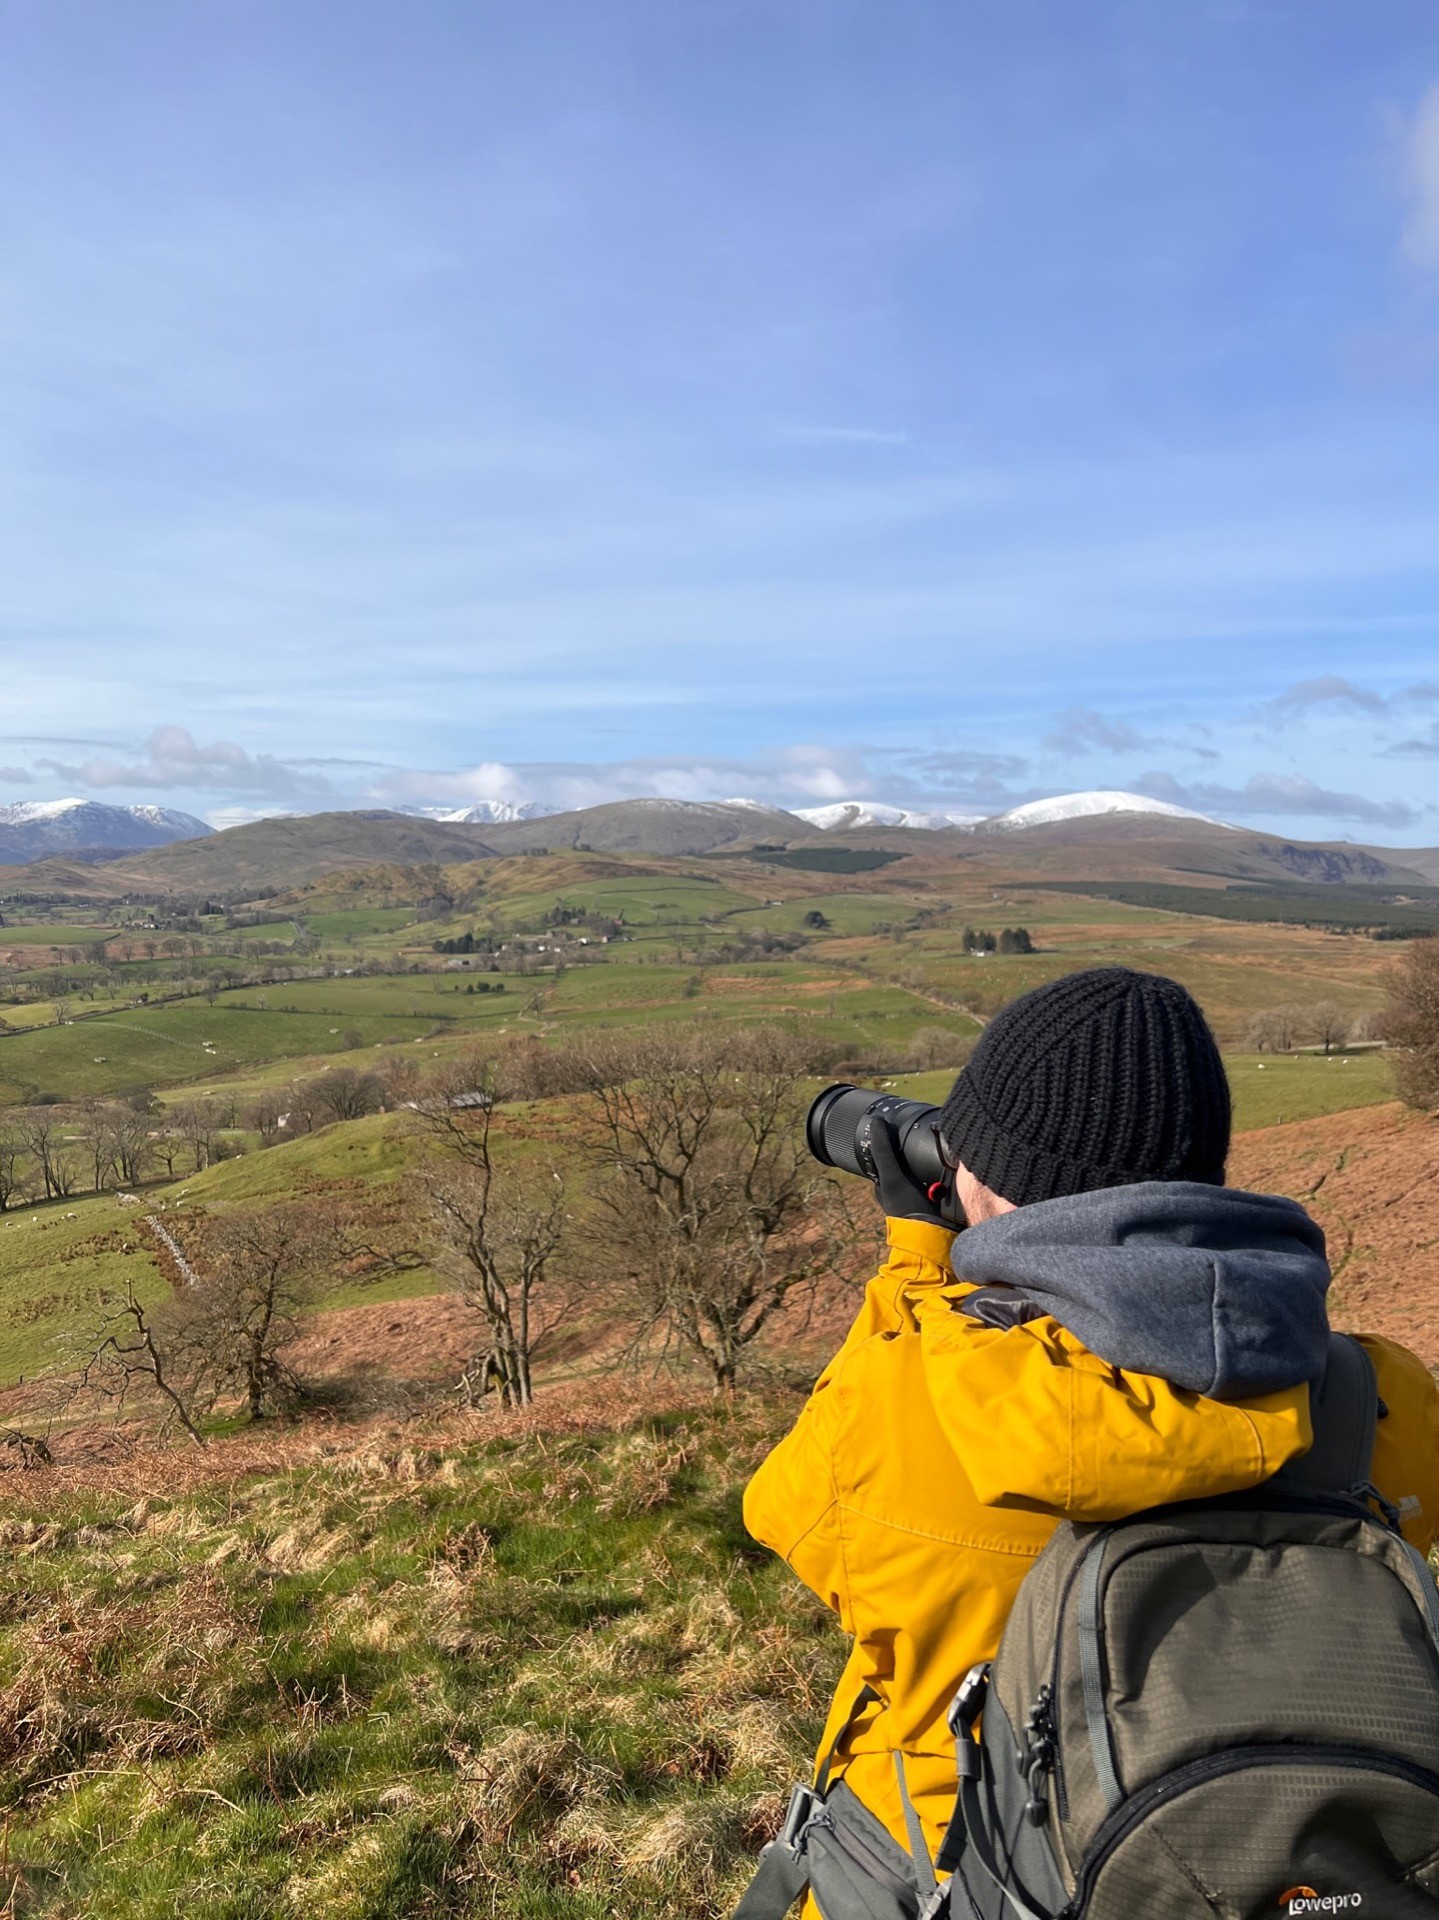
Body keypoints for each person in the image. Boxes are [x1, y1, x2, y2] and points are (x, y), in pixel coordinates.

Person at [744, 967, 1439, 1911]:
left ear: (972, 1178)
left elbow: (785, 1517)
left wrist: (915, 1263)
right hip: (1289, 1854)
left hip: (967, 1864)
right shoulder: (1379, 1394)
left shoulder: (901, 1401)